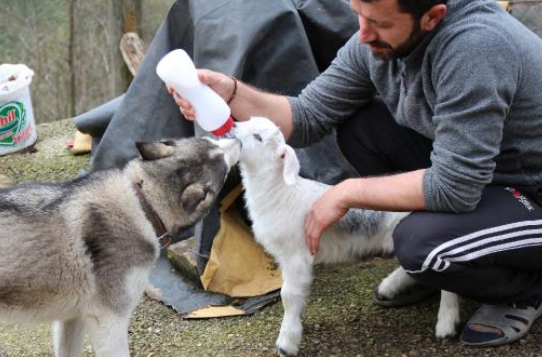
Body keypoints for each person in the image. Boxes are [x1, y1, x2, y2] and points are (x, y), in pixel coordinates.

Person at [170, 0, 542, 348]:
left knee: (422, 246)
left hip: (530, 192)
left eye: (378, 23)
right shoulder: (375, 40)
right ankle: (456, 258)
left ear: (432, 18)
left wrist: (345, 192)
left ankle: (524, 290)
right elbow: (308, 115)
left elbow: (455, 187)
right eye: (359, 15)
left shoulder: (475, 48)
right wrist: (231, 93)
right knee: (360, 126)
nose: (362, 34)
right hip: (481, 173)